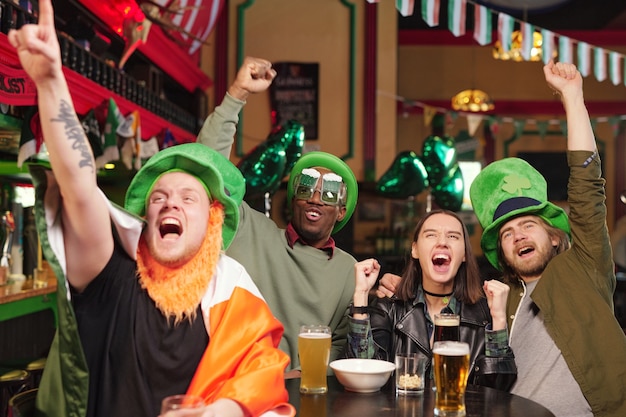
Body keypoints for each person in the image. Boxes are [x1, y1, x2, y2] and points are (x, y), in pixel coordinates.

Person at [8, 1, 293, 416]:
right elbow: (81, 187)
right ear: (145, 217)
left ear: (213, 222)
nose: (170, 202)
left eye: (187, 198)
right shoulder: (112, 273)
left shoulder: (229, 290)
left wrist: (216, 412)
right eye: (158, 197)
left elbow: (261, 374)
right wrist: (51, 82)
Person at [469, 61, 626, 416]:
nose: (517, 235)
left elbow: (587, 190)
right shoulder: (498, 301)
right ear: (502, 253)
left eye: (527, 224)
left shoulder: (584, 267)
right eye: (506, 233)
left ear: (555, 238)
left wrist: (572, 97)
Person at [197, 84, 359, 376]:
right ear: (294, 196)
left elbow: (344, 345)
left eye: (331, 192)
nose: (315, 197)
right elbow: (207, 171)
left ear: (341, 211)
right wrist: (237, 95)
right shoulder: (249, 230)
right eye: (307, 186)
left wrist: (303, 374)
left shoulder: (350, 270)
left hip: (306, 393)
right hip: (236, 386)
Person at [347, 209, 516, 390]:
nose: (442, 242)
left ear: (465, 254)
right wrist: (361, 295)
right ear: (415, 250)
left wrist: (498, 319)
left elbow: (497, 391)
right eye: (431, 235)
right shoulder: (389, 307)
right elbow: (363, 375)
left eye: (453, 236)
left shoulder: (484, 314)